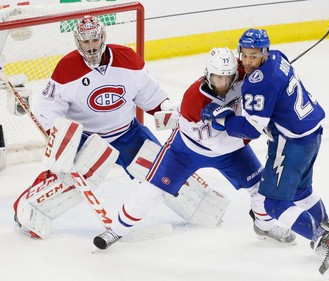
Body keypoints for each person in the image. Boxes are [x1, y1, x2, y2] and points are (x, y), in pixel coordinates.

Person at [11, 15, 222, 239]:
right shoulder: (66, 69)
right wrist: (59, 136)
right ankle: (28, 212)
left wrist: (167, 110)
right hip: (88, 140)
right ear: (78, 42)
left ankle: (203, 208)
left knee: (164, 171)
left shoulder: (128, 59)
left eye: (94, 41)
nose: (91, 47)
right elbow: (49, 107)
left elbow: (150, 96)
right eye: (85, 42)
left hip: (128, 134)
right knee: (67, 182)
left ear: (103, 37)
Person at [93, 47, 296, 250]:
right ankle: (117, 230)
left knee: (261, 188)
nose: (224, 84)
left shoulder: (242, 73)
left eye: (228, 78)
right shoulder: (193, 100)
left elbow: (262, 67)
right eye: (217, 78)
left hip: (231, 149)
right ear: (207, 74)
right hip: (187, 149)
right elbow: (214, 142)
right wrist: (228, 124)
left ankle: (264, 227)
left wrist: (268, 78)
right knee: (151, 190)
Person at [201, 29, 329, 277]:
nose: (248, 62)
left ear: (265, 53)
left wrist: (223, 119)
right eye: (245, 55)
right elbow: (269, 88)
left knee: (273, 203)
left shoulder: (257, 83)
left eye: (254, 56)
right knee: (301, 191)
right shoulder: (278, 58)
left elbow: (250, 130)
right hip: (312, 133)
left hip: (291, 142)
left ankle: (326, 241)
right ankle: (327, 227)